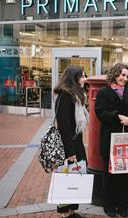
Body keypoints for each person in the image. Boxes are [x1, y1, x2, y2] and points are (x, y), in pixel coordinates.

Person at [95, 63, 128, 217]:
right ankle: (109, 205)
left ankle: (124, 206)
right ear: (115, 74)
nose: (124, 78)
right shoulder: (103, 92)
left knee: (126, 176)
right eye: (122, 75)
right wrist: (117, 116)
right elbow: (100, 112)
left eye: (127, 76)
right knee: (110, 175)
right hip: (110, 139)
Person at [53, 65, 88, 218]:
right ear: (73, 78)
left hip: (76, 141)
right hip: (69, 144)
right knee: (66, 176)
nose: (84, 78)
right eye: (82, 76)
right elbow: (64, 125)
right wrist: (70, 152)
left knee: (77, 175)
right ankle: (65, 213)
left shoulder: (76, 96)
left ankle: (72, 210)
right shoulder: (64, 96)